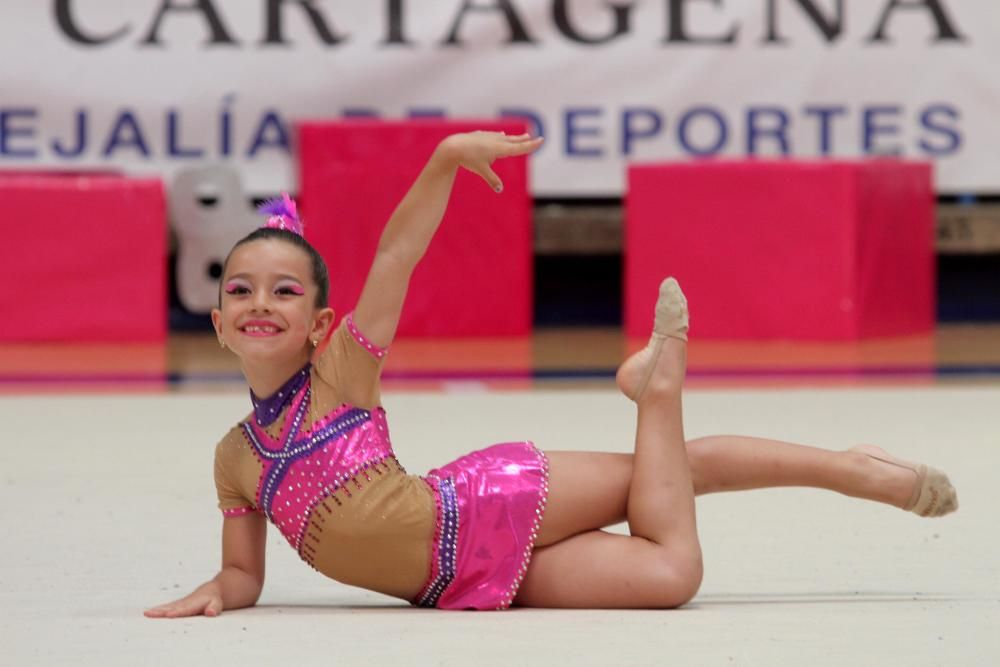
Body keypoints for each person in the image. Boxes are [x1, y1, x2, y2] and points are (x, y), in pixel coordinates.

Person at [145, 131, 957, 618]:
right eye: (239, 289)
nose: (260, 302)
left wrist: (442, 162)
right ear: (216, 322)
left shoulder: (341, 374)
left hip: (481, 504)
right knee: (669, 571)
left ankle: (841, 465)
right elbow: (246, 571)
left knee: (664, 477)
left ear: (320, 323)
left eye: (284, 291)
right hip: (464, 585)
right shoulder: (235, 457)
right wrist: (219, 588)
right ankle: (650, 395)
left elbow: (396, 254)